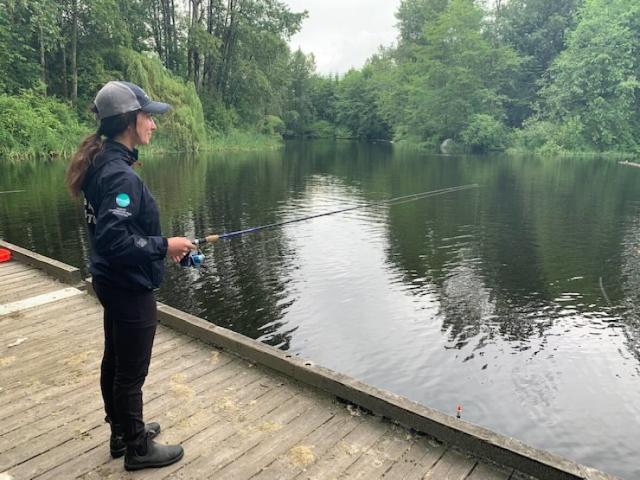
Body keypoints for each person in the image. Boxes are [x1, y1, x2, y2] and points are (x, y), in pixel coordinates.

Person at [65, 80, 194, 471]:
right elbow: (115, 241)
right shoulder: (121, 176)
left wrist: (162, 246)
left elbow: (115, 237)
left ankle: (121, 432)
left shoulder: (100, 162)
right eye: (148, 117)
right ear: (128, 121)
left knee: (116, 359)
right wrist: (163, 246)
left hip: (111, 281)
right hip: (127, 287)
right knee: (130, 373)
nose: (153, 124)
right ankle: (137, 448)